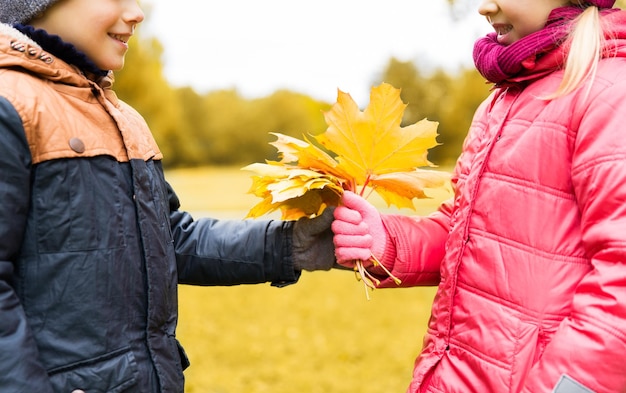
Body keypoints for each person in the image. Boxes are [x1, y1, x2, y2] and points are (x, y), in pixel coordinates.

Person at [0, 0, 336, 392]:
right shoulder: (11, 105)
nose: (136, 12)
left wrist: (289, 245)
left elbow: (169, 238)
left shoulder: (122, 118)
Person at [332, 0, 626, 392]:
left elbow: (619, 283)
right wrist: (386, 242)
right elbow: (465, 230)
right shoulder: (500, 102)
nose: (484, 7)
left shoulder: (610, 95)